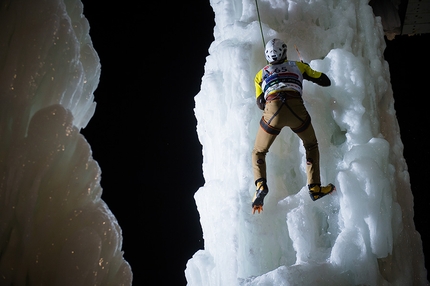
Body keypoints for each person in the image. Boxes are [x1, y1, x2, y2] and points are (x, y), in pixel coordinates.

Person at [251, 38, 335, 214]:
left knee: (259, 151)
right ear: (284, 52)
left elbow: (260, 103)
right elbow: (325, 81)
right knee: (311, 145)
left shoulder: (260, 74)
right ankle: (315, 188)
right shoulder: (298, 66)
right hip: (297, 109)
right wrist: (305, 69)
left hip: (273, 111)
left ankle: (260, 186)